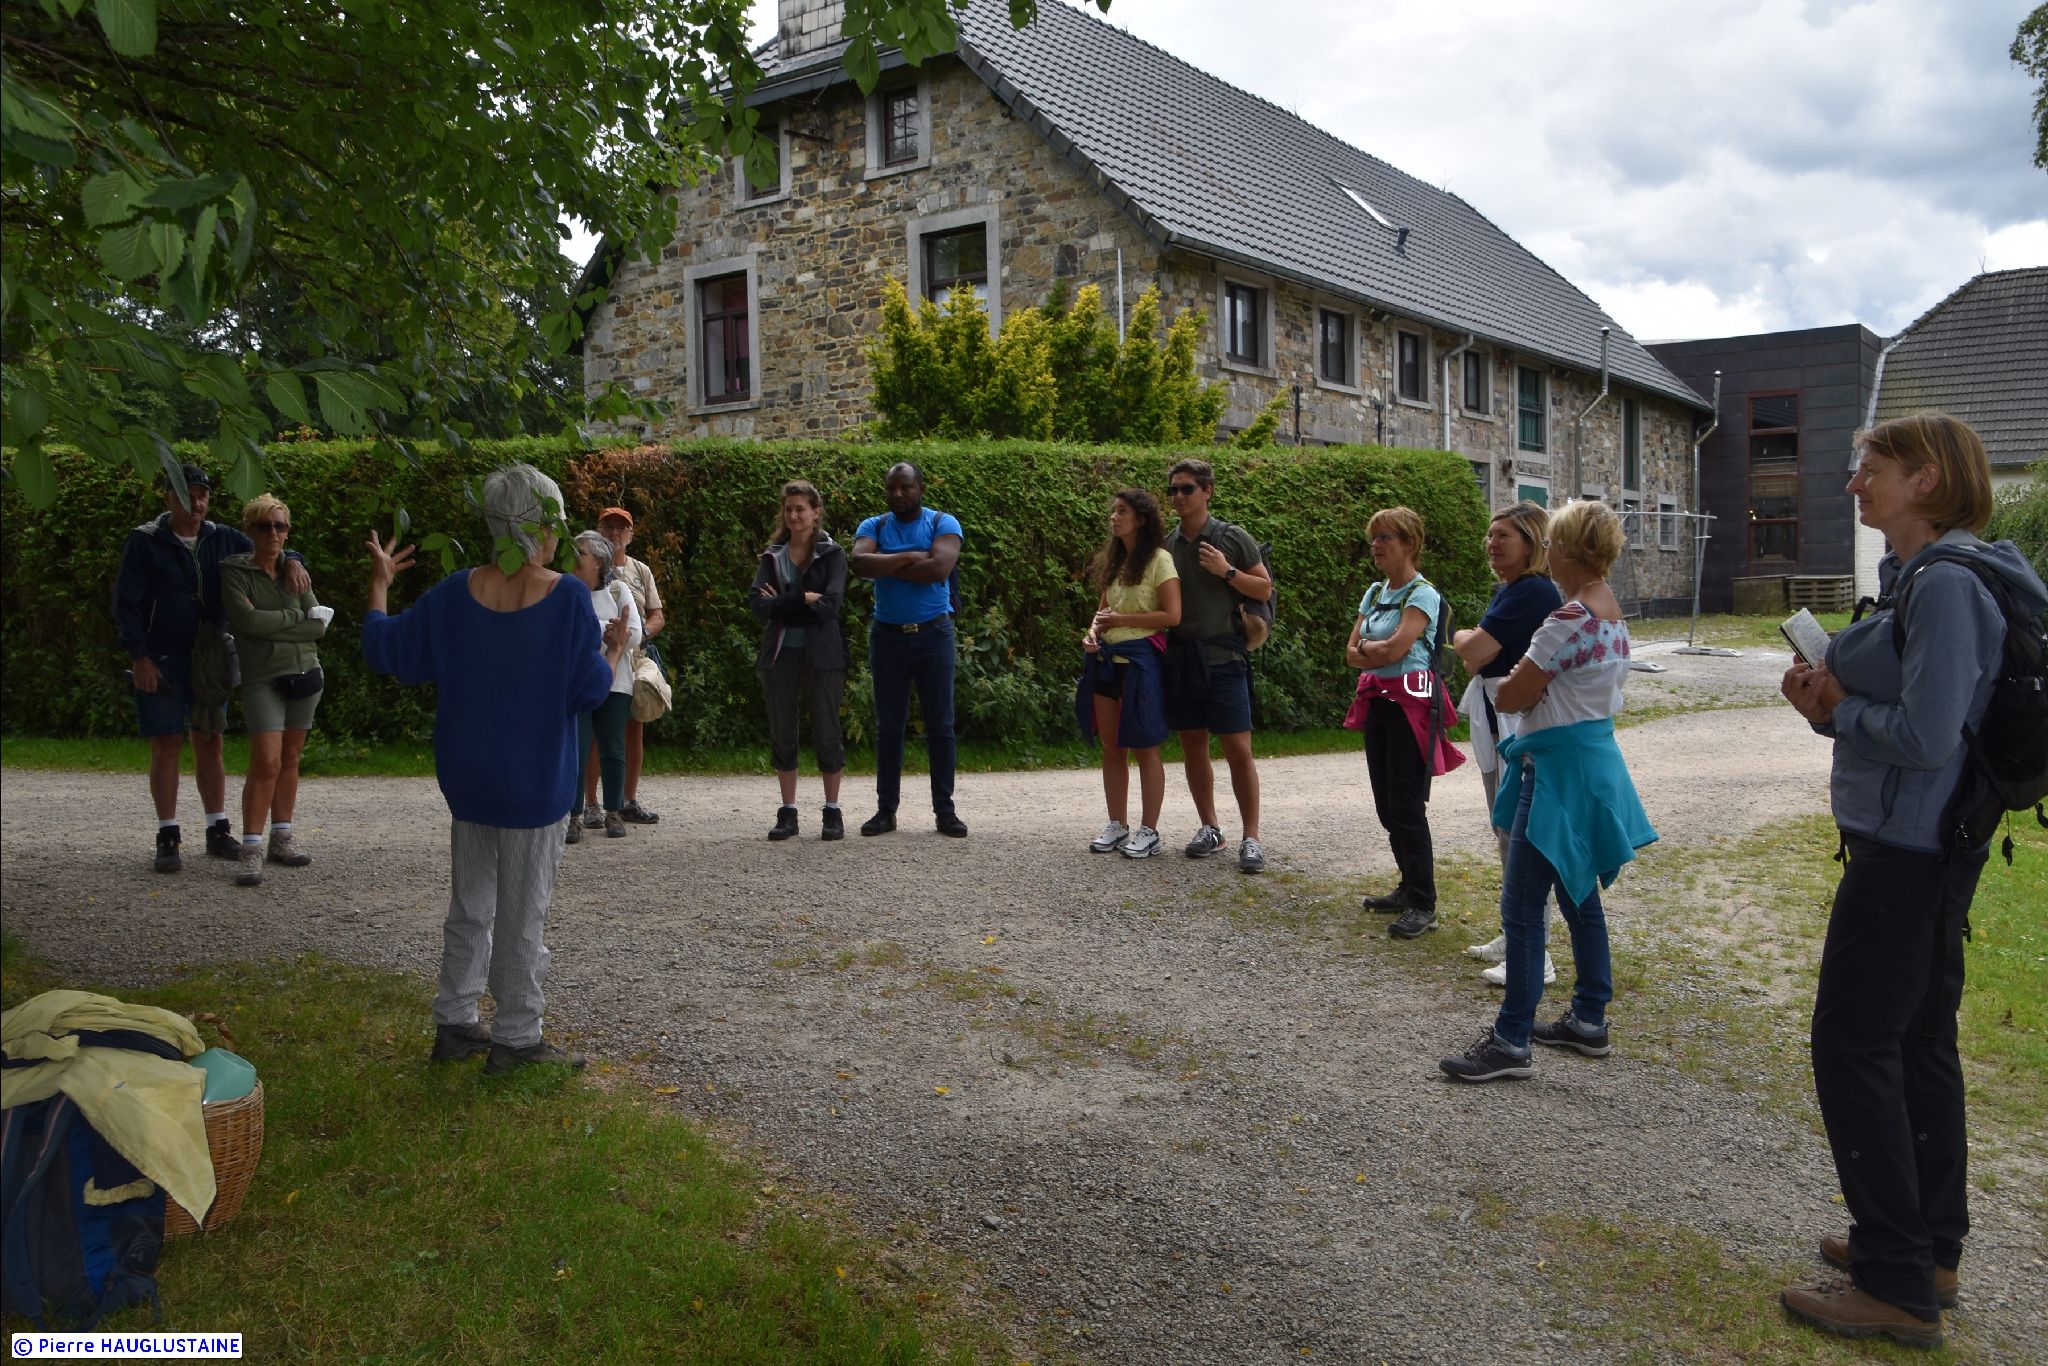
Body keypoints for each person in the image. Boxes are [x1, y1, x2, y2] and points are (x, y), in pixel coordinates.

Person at [1776, 413, 2043, 1350]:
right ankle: (1928, 1252)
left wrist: (1840, 708)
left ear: (1926, 479)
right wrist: (1831, 709)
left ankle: (1895, 1282)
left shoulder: (1949, 585)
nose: (1855, 484)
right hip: (1926, 843)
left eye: (1871, 469)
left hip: (1910, 851)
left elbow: (1930, 737)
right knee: (1919, 1041)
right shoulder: (1924, 576)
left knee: (1853, 1044)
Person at [361, 463, 620, 1075]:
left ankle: (454, 1020)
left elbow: (386, 650)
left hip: (470, 779)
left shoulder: (455, 592)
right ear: (544, 525)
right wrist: (613, 648)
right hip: (533, 783)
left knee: (470, 906)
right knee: (523, 915)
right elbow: (588, 691)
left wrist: (379, 584)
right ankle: (517, 1037)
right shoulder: (567, 598)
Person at [1439, 499, 1655, 1084]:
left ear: (1570, 551)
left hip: (1555, 771)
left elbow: (1511, 693)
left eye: (1554, 543)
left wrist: (1523, 687)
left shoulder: (1569, 619)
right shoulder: (1612, 615)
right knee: (1578, 893)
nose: (1549, 552)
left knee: (1522, 907)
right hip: (1591, 762)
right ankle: (1588, 1017)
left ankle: (1511, 1041)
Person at [113, 463, 308, 873]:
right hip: (162, 656)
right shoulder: (144, 541)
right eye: (187, 495)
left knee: (210, 739)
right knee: (166, 743)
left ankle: (217, 828)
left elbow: (267, 543)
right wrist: (139, 656)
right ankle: (168, 834)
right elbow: (126, 604)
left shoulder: (223, 538)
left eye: (202, 495)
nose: (196, 503)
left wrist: (293, 558)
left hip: (211, 656)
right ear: (168, 497)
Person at [1451, 503, 1564, 984]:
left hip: (1516, 719)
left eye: (1503, 536)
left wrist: (1465, 638)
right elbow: (1475, 657)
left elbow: (1475, 650)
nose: (1492, 544)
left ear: (1531, 542)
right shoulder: (1511, 591)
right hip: (1498, 716)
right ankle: (1515, 932)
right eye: (1490, 535)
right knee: (1505, 829)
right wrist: (1473, 645)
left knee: (1522, 834)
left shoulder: (1533, 591)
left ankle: (1536, 952)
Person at [1345, 506, 1464, 940]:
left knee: (1407, 805)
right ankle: (1408, 887)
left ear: (1410, 543)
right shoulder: (1376, 591)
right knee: (1386, 804)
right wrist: (1377, 650)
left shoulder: (1423, 594)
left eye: (1385, 538)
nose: (1375, 546)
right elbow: (1351, 653)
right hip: (1379, 703)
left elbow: (1394, 650)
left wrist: (1372, 650)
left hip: (1412, 707)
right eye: (1373, 538)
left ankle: (1423, 903)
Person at [1162, 458, 1272, 873]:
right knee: (1193, 747)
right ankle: (1211, 828)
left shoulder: (1231, 537)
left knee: (1238, 750)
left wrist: (1226, 571)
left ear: (1207, 491)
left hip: (1225, 659)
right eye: (1173, 489)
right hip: (1184, 659)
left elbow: (1263, 588)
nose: (1178, 496)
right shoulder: (1167, 544)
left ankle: (1251, 837)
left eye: (1187, 488)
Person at [219, 494, 334, 887]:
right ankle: (250, 847)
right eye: (264, 526)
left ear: (287, 532)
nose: (273, 533)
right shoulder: (235, 572)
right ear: (250, 530)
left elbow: (319, 626)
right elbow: (246, 621)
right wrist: (295, 617)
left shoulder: (295, 570)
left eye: (279, 526)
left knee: (290, 757)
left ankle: (281, 836)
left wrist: (277, 620)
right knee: (265, 761)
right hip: (263, 678)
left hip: (305, 674)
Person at [849, 462, 967, 838]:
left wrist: (886, 565)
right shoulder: (874, 525)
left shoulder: (943, 523)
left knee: (941, 725)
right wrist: (911, 557)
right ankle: (886, 811)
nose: (898, 494)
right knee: (889, 726)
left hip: (934, 635)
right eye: (892, 488)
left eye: (906, 487)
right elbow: (859, 563)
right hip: (887, 637)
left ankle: (945, 812)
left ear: (921, 488)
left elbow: (938, 570)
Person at [1078, 489, 1183, 858]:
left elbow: (1172, 616)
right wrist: (1092, 635)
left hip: (1141, 662)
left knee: (1144, 746)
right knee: (1112, 747)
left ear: (1141, 518)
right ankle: (1117, 824)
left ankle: (1149, 831)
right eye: (1113, 511)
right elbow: (1101, 613)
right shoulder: (1115, 561)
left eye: (1121, 511)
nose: (1114, 517)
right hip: (1108, 661)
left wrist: (1120, 621)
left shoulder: (1160, 560)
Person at [750, 480, 849, 841]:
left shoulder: (833, 554)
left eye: (800, 509)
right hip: (780, 655)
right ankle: (788, 812)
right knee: (782, 732)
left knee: (827, 731)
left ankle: (832, 811)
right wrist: (802, 598)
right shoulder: (771, 556)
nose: (793, 515)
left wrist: (783, 601)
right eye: (788, 509)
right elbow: (759, 606)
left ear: (815, 512)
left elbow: (831, 605)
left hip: (823, 655)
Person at [580, 507, 665, 827]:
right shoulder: (582, 573)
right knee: (593, 733)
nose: (615, 533)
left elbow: (657, 614)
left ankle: (628, 801)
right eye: (608, 526)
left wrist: (639, 635)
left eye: (621, 528)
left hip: (633, 657)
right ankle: (591, 804)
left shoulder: (640, 570)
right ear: (598, 530)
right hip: (595, 658)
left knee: (633, 727)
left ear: (631, 534)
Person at [569, 530, 642, 842]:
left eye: (580, 553)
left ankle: (613, 812)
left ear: (598, 560)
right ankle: (574, 816)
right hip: (578, 683)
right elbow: (569, 633)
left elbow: (635, 633)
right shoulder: (567, 591)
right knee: (578, 747)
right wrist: (606, 631)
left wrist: (607, 635)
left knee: (613, 747)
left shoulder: (617, 589)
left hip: (616, 683)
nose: (573, 558)